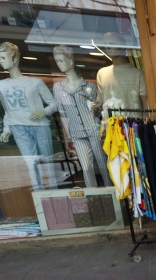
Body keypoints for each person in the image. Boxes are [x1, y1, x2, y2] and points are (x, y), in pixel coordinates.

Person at [0, 42, 57, 190]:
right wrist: (6, 129)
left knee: (48, 162)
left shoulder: (35, 82)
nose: (1, 61)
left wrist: (44, 111)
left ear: (14, 58)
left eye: (3, 57)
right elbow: (7, 110)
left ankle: (55, 193)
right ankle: (39, 196)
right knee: (31, 165)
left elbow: (54, 103)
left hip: (40, 126)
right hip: (18, 127)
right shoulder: (0, 85)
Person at [53, 45, 108, 188]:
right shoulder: (58, 88)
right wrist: (68, 137)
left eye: (61, 60)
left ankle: (113, 195)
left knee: (103, 165)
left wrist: (96, 107)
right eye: (57, 61)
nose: (59, 64)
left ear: (70, 60)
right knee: (86, 168)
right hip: (76, 133)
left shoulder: (90, 86)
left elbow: (101, 111)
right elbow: (62, 113)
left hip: (94, 130)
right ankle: (93, 197)